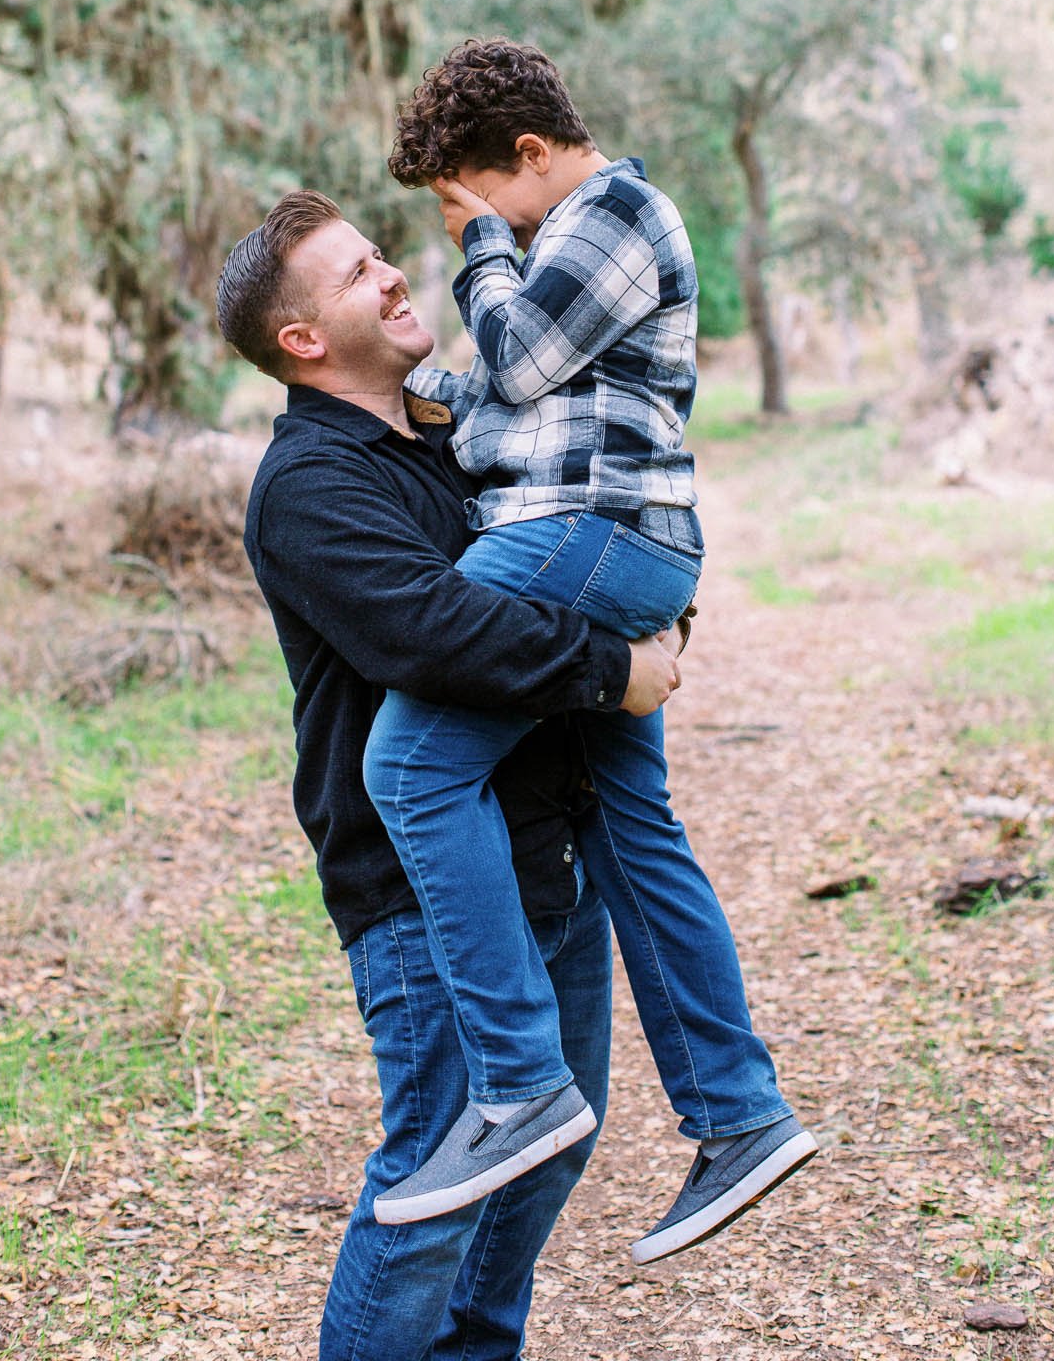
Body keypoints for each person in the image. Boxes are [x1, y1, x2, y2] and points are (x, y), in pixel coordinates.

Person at [363, 37, 815, 1265]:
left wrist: (481, 245)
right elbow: (514, 399)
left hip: (587, 537)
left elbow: (515, 357)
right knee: (626, 819)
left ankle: (517, 1083)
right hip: (594, 537)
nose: (465, 227)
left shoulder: (614, 209)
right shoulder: (565, 244)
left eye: (467, 195)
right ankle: (738, 1110)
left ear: (526, 154)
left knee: (405, 768)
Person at [215, 189, 682, 1361]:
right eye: (354, 271)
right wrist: (612, 665)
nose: (390, 273)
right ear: (303, 340)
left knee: (550, 1138)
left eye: (379, 251)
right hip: (420, 890)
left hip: (546, 855)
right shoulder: (313, 484)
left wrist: (647, 612)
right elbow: (437, 630)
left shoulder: (451, 433)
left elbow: (583, 535)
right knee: (434, 1178)